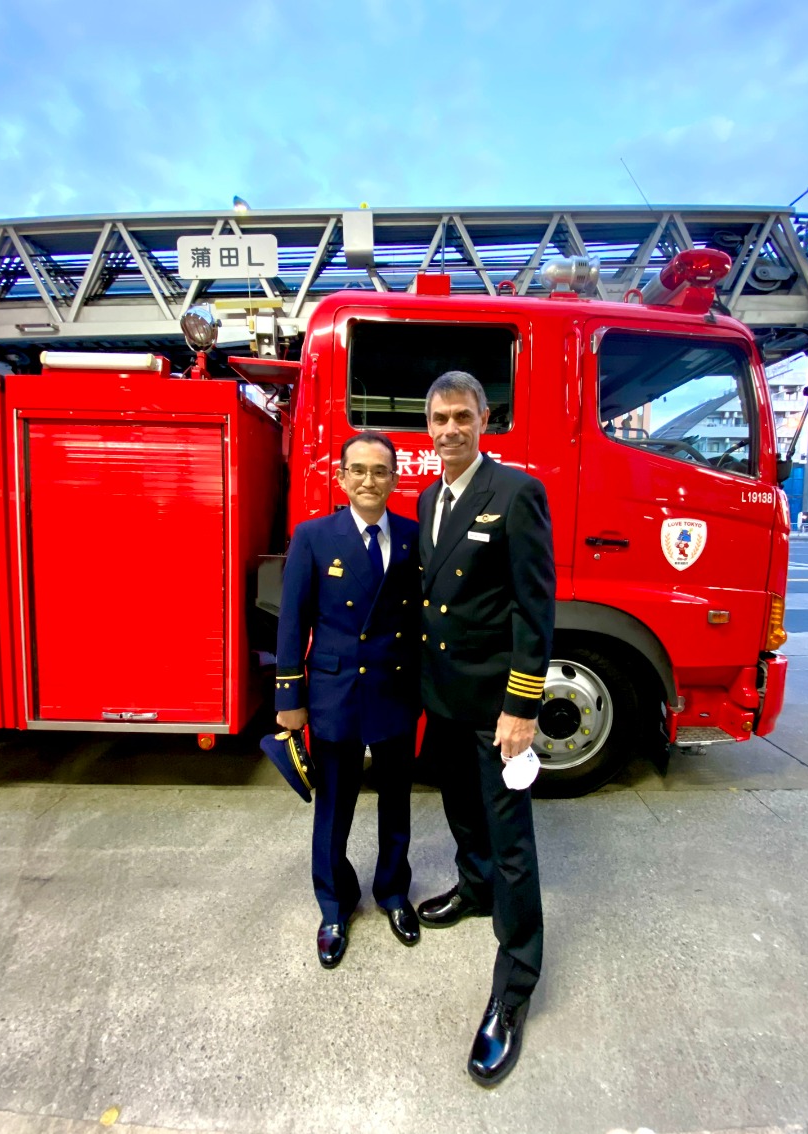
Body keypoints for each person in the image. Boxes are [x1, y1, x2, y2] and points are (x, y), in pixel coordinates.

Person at [416, 371, 555, 1086]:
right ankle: (471, 892)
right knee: (462, 814)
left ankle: (514, 987)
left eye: (461, 417)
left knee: (512, 846)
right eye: (438, 418)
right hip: (443, 697)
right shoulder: (426, 497)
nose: (449, 430)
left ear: (483, 419)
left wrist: (522, 706)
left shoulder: (514, 493)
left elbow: (533, 610)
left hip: (496, 706)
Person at [275, 431, 421, 968]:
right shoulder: (314, 536)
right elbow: (293, 621)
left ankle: (393, 891)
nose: (368, 480)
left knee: (396, 800)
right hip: (335, 691)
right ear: (341, 478)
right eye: (357, 470)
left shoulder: (411, 536)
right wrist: (289, 694)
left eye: (379, 471)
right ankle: (334, 904)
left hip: (395, 687)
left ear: (395, 479)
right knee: (334, 805)